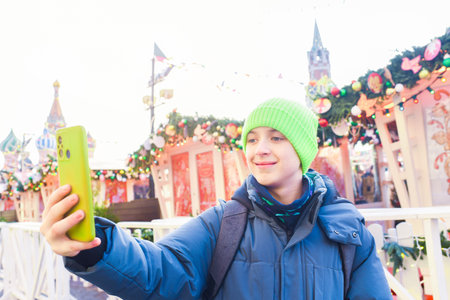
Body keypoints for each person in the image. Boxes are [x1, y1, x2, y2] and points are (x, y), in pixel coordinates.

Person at [40, 98, 392, 299]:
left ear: (302, 149)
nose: (261, 149)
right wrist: (96, 247)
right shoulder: (225, 223)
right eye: (252, 139)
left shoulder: (348, 233)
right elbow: (161, 270)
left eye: (276, 138)